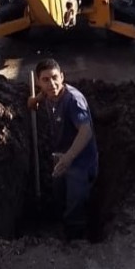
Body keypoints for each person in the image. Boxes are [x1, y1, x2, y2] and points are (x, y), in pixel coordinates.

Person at [28, 58, 99, 239]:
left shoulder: (73, 101)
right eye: (45, 80)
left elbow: (85, 131)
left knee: (75, 203)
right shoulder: (49, 93)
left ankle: (74, 239)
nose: (52, 83)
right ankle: (58, 226)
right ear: (38, 82)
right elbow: (45, 94)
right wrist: (34, 100)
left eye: (55, 77)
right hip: (61, 157)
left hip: (80, 162)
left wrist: (69, 157)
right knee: (59, 195)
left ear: (62, 76)